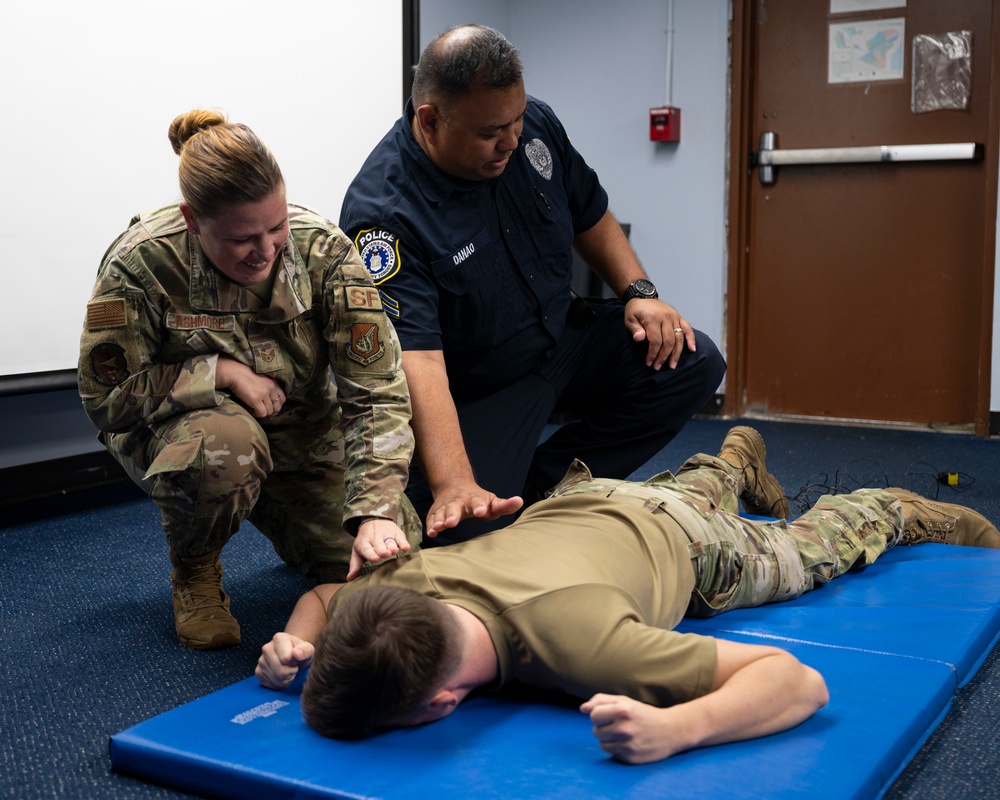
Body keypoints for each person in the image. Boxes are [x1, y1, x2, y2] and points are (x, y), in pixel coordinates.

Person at [256, 426, 1000, 764]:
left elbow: (797, 681)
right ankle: (733, 458)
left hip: (692, 547)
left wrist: (680, 730)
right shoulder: (399, 589)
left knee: (807, 552)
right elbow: (325, 596)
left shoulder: (581, 646)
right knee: (689, 488)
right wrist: (301, 642)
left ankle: (899, 508)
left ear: (441, 704)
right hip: (584, 501)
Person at [339, 24, 728, 545]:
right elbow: (419, 361)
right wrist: (457, 483)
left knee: (691, 359)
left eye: (517, 120)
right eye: (490, 133)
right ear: (429, 122)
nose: (512, 140)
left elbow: (590, 212)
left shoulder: (532, 123)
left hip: (561, 336)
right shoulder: (385, 215)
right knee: (460, 526)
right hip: (482, 385)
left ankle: (545, 493)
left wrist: (640, 293)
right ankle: (507, 499)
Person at [78, 110, 421, 651]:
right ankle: (194, 569)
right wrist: (216, 373)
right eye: (242, 238)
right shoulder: (141, 262)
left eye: (277, 226)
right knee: (227, 448)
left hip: (303, 437)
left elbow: (375, 390)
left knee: (395, 564)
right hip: (196, 440)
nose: (266, 251)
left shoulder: (324, 252)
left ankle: (290, 519)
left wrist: (375, 509)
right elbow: (107, 399)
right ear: (193, 221)